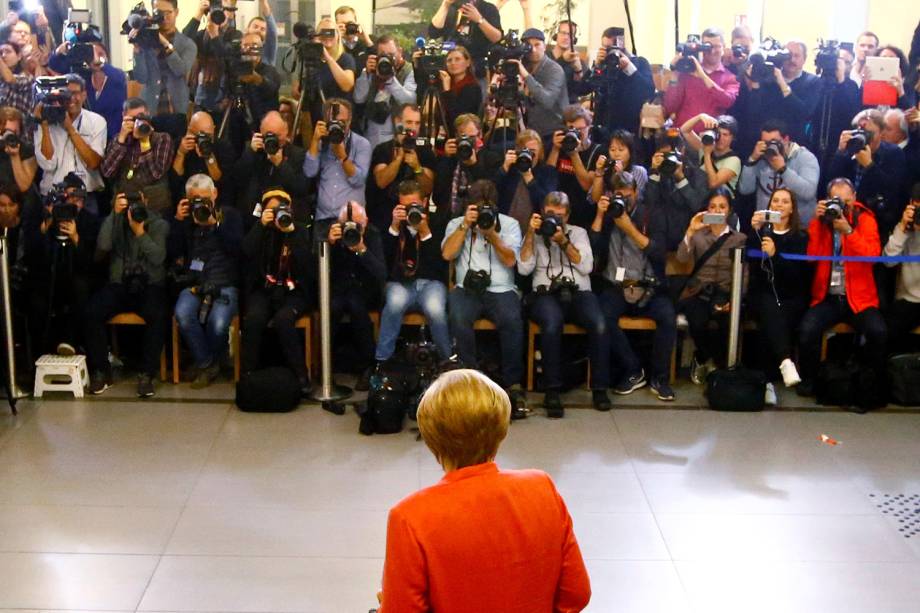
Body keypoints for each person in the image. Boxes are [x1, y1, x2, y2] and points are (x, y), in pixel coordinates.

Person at [377, 368, 591, 612]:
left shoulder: (409, 517)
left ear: (431, 438)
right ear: (501, 429)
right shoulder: (542, 488)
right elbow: (577, 594)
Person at [797, 178, 887, 410]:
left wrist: (848, 231)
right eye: (835, 201)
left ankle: (870, 386)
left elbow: (873, 254)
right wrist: (818, 223)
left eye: (845, 201)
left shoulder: (866, 219)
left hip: (860, 298)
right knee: (807, 329)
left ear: (854, 198)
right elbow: (811, 257)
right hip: (829, 297)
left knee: (878, 332)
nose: (840, 207)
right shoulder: (821, 221)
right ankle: (811, 381)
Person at [519, 191, 610, 416]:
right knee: (551, 324)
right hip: (545, 293)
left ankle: (599, 388)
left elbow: (586, 267)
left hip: (578, 292)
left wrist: (563, 241)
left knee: (599, 324)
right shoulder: (534, 232)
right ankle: (552, 391)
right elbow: (523, 268)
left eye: (559, 215)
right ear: (542, 212)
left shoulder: (578, 233)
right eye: (550, 214)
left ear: (567, 216)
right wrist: (531, 233)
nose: (554, 219)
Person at [591, 172, 675, 402]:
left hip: (649, 286)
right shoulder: (608, 214)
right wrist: (600, 214)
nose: (623, 201)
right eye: (618, 196)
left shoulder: (652, 214)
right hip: (616, 285)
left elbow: (658, 252)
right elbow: (593, 248)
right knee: (602, 318)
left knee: (667, 317)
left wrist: (629, 228)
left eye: (627, 196)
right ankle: (633, 369)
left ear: (636, 193)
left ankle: (660, 378)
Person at [442, 179, 526, 409]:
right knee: (458, 317)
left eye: (487, 208)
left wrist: (492, 234)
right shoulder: (457, 224)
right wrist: (465, 227)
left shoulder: (508, 225)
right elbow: (448, 255)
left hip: (501, 289)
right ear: (469, 207)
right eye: (478, 208)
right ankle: (469, 378)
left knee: (512, 320)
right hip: (465, 288)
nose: (482, 213)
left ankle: (513, 382)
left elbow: (510, 260)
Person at [85, 189, 170, 398]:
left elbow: (158, 257)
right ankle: (101, 371)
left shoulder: (159, 224)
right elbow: (104, 245)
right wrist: (114, 214)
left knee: (159, 315)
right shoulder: (115, 222)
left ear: (146, 200)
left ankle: (147, 374)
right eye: (128, 201)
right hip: (119, 285)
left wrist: (140, 232)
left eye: (137, 201)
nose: (133, 206)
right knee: (91, 311)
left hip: (149, 284)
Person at [168, 174, 243, 388]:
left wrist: (215, 223)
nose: (199, 205)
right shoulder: (187, 221)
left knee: (217, 324)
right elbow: (174, 252)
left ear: (214, 194)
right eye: (194, 200)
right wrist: (178, 221)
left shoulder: (230, 215)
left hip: (225, 282)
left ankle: (207, 362)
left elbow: (237, 250)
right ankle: (208, 363)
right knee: (182, 314)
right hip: (195, 282)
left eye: (203, 199)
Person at [375, 180, 453, 374]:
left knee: (435, 309)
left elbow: (441, 262)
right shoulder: (392, 221)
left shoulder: (438, 221)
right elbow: (383, 259)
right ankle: (382, 363)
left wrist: (425, 232)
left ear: (424, 202)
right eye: (404, 206)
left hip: (431, 282)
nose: (409, 210)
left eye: (414, 205)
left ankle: (448, 362)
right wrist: (393, 228)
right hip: (399, 283)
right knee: (393, 305)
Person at [241, 189, 314, 396]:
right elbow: (245, 252)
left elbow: (308, 267)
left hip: (294, 291)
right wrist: (260, 226)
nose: (276, 215)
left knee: (284, 320)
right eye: (271, 211)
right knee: (253, 318)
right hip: (265, 289)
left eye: (279, 210)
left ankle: (301, 376)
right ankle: (248, 376)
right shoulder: (260, 230)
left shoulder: (299, 231)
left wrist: (290, 232)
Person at [23, 173, 99, 357]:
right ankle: (38, 354)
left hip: (77, 275)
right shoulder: (45, 216)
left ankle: (71, 342)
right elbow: (32, 253)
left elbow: (92, 261)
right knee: (37, 301)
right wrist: (46, 224)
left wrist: (75, 237)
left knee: (80, 290)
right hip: (49, 275)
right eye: (68, 198)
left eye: (77, 199)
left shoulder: (89, 220)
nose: (72, 204)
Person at [746, 188, 811, 405]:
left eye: (785, 202)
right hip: (762, 295)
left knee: (772, 319)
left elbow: (799, 276)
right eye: (775, 201)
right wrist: (754, 232)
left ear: (792, 208)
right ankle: (785, 360)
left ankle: (767, 382)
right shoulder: (762, 232)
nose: (779, 205)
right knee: (768, 307)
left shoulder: (801, 237)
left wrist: (776, 257)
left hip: (791, 296)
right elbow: (754, 269)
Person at [676, 188, 748, 383]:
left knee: (726, 322)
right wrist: (691, 230)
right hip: (698, 291)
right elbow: (681, 258)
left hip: (725, 293)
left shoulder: (739, 238)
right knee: (698, 321)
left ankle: (716, 364)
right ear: (706, 210)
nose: (717, 211)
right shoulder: (699, 235)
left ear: (729, 211)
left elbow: (744, 274)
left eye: (722, 207)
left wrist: (736, 300)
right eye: (713, 207)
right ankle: (704, 358)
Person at [326, 201, 386, 387]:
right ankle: (327, 365)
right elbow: (317, 269)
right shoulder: (332, 235)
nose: (352, 229)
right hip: (338, 288)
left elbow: (381, 273)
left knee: (356, 305)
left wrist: (362, 250)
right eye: (347, 225)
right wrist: (329, 244)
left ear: (365, 222)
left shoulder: (373, 234)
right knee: (333, 308)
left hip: (365, 290)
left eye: (357, 225)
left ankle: (368, 365)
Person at [731, 40, 822, 156]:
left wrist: (781, 82)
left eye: (797, 56)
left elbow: (804, 113)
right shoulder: (769, 78)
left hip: (793, 145)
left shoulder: (813, 82)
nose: (792, 60)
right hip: (766, 143)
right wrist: (754, 84)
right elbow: (755, 111)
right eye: (788, 55)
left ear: (804, 59)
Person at [34, 73, 105, 214]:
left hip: (85, 194)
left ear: (84, 94)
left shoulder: (96, 122)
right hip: (54, 194)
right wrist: (44, 125)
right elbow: (48, 164)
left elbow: (93, 163)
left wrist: (70, 129)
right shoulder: (45, 120)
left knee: (87, 235)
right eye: (66, 94)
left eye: (75, 93)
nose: (71, 98)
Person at [828, 109, 907, 236]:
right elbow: (830, 182)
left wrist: (869, 166)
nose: (865, 138)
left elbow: (893, 190)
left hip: (876, 221)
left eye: (870, 133)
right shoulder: (849, 150)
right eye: (861, 132)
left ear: (882, 133)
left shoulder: (894, 153)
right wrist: (840, 153)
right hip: (846, 216)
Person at [367, 103, 436, 231]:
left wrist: (417, 167)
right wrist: (398, 159)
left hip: (414, 219)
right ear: (398, 122)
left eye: (417, 123)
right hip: (384, 217)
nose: (413, 128)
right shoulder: (383, 149)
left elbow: (427, 189)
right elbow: (381, 182)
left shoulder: (426, 151)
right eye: (409, 122)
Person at [738, 119, 820, 225]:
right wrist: (752, 159)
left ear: (786, 139)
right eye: (765, 143)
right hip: (767, 226)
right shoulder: (762, 158)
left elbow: (808, 192)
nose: (769, 147)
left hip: (797, 229)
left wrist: (783, 169)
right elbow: (745, 189)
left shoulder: (805, 157)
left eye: (773, 142)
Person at [234, 110, 309, 225]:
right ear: (261, 132)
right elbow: (237, 180)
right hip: (254, 217)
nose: (273, 140)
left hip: (286, 217)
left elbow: (300, 188)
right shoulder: (253, 150)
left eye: (277, 136)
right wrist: (250, 153)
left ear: (286, 132)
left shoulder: (298, 154)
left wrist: (281, 164)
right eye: (269, 135)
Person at [100, 97, 174, 213]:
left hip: (154, 207)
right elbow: (107, 172)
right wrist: (121, 140)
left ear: (148, 115)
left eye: (141, 117)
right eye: (133, 119)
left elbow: (154, 175)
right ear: (124, 117)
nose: (137, 123)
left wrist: (145, 142)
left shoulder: (162, 139)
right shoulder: (119, 139)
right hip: (124, 204)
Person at [304, 98, 371, 224]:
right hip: (324, 217)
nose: (337, 126)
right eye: (333, 122)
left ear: (350, 121)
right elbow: (309, 172)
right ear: (325, 122)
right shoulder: (321, 142)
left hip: (352, 219)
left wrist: (343, 156)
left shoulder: (361, 144)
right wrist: (315, 141)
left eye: (342, 122)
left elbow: (359, 180)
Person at [48, 41, 127, 143]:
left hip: (113, 137)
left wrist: (101, 64)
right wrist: (59, 52)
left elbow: (119, 76)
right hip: (90, 136)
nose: (95, 57)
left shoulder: (116, 77)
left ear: (107, 57)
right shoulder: (84, 79)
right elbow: (55, 66)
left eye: (100, 54)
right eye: (91, 53)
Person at [663, 27, 739, 130]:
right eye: (707, 46)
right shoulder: (687, 73)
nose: (712, 51)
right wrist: (675, 74)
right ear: (700, 48)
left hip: (710, 139)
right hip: (683, 134)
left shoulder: (730, 78)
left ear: (724, 47)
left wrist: (703, 76)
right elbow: (670, 107)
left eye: (716, 46)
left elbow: (727, 102)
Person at [129, 0, 196, 116]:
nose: (164, 18)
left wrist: (165, 43)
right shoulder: (146, 41)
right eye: (159, 12)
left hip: (176, 108)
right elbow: (141, 77)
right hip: (149, 107)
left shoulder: (187, 44)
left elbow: (180, 71)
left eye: (168, 12)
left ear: (176, 12)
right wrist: (136, 49)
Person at [644, 130, 709, 251]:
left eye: (671, 155)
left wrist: (681, 179)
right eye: (664, 155)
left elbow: (697, 207)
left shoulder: (699, 175)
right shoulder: (655, 175)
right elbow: (649, 203)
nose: (669, 160)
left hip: (689, 242)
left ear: (682, 151)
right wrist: (654, 173)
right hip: (659, 241)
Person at [354, 34, 417, 149]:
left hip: (398, 134)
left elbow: (409, 101)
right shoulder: (372, 69)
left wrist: (390, 79)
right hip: (372, 133)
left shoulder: (409, 70)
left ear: (400, 52)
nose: (387, 58)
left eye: (391, 55)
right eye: (382, 55)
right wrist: (366, 73)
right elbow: (358, 98)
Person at [590, 26, 656, 135]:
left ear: (622, 46)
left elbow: (648, 90)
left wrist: (629, 68)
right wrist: (597, 66)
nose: (609, 52)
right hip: (603, 125)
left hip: (629, 125)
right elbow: (587, 87)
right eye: (605, 48)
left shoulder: (640, 63)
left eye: (612, 48)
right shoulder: (602, 65)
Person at [547, 104, 604, 228]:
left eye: (580, 129)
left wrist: (574, 153)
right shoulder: (560, 145)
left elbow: (586, 185)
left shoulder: (598, 151)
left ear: (589, 127)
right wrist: (555, 149)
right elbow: (548, 176)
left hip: (583, 214)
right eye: (571, 128)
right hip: (558, 211)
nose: (576, 133)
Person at [432, 113, 501, 216]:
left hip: (480, 218)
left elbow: (490, 196)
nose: (468, 142)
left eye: (472, 138)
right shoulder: (450, 158)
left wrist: (474, 165)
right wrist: (446, 159)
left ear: (480, 134)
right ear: (456, 136)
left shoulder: (492, 159)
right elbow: (437, 197)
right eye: (464, 138)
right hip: (448, 218)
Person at [506, 28, 568, 139]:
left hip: (553, 132)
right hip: (531, 130)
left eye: (537, 45)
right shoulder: (524, 65)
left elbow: (547, 101)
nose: (533, 50)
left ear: (544, 47)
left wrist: (525, 75)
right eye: (529, 46)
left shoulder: (554, 69)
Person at [169, 111, 235, 210]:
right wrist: (181, 153)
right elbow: (175, 179)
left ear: (214, 129)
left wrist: (208, 157)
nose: (205, 139)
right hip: (188, 201)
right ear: (190, 131)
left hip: (215, 202)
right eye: (201, 135)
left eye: (209, 136)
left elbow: (220, 180)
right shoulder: (180, 144)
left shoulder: (223, 147)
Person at [497, 128, 557, 230]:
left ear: (540, 152)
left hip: (532, 229)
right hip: (504, 227)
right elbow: (493, 192)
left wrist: (529, 178)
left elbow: (546, 203)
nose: (528, 155)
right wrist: (504, 169)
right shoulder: (510, 169)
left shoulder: (547, 172)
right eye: (524, 150)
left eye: (532, 152)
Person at [884, 184, 920, 354]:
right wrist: (902, 228)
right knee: (888, 334)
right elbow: (888, 261)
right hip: (908, 300)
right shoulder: (904, 227)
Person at [428, 0, 502, 77]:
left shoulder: (488, 8)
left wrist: (479, 20)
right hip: (450, 68)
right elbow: (433, 33)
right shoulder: (451, 7)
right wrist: (445, 5)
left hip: (476, 69)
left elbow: (497, 37)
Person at [679, 113, 741, 195]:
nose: (721, 138)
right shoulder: (706, 148)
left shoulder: (734, 160)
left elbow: (713, 184)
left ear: (732, 138)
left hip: (720, 204)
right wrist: (700, 116)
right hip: (701, 202)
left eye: (725, 135)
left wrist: (707, 155)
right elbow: (684, 131)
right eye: (718, 134)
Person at [590, 129, 649, 203]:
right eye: (612, 150)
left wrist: (621, 175)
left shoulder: (639, 171)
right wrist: (599, 172)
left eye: (621, 150)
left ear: (630, 151)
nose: (616, 154)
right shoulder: (606, 171)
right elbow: (594, 199)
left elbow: (636, 200)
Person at [433, 46, 482, 129]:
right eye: (449, 60)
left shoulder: (473, 87)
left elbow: (458, 118)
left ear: (467, 62)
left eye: (457, 59)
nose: (453, 63)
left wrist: (447, 91)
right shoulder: (443, 83)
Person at [0, 105, 38, 196]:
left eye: (13, 132)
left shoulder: (28, 150)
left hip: (23, 204)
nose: (8, 135)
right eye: (4, 131)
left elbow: (24, 185)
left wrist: (15, 156)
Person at [548, 20, 588, 104]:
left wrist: (578, 71)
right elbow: (546, 79)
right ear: (556, 35)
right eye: (563, 33)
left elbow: (582, 91)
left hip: (569, 109)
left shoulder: (579, 61)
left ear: (574, 39)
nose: (566, 37)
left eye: (570, 34)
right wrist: (563, 59)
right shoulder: (545, 57)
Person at [0, 39, 34, 119]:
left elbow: (10, 79)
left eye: (8, 52)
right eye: (1, 53)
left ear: (19, 56)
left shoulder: (27, 78)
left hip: (17, 126)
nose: (3, 55)